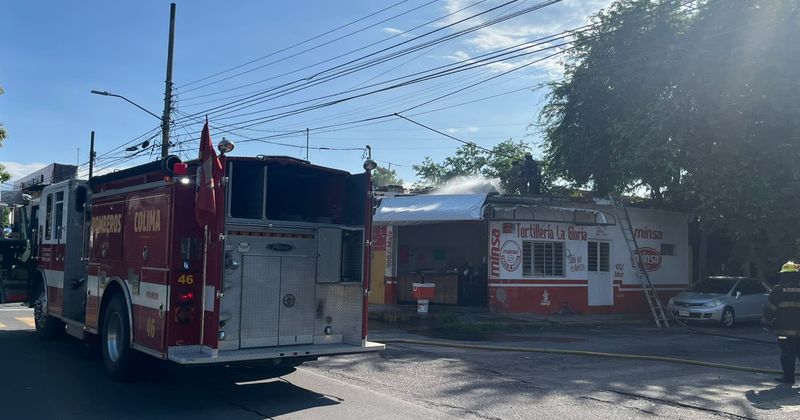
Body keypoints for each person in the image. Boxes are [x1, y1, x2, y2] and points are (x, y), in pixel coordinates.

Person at [763, 261, 800, 384]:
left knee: (787, 353)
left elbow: (770, 309)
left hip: (784, 331)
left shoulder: (778, 290)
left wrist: (765, 322)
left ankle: (789, 378)